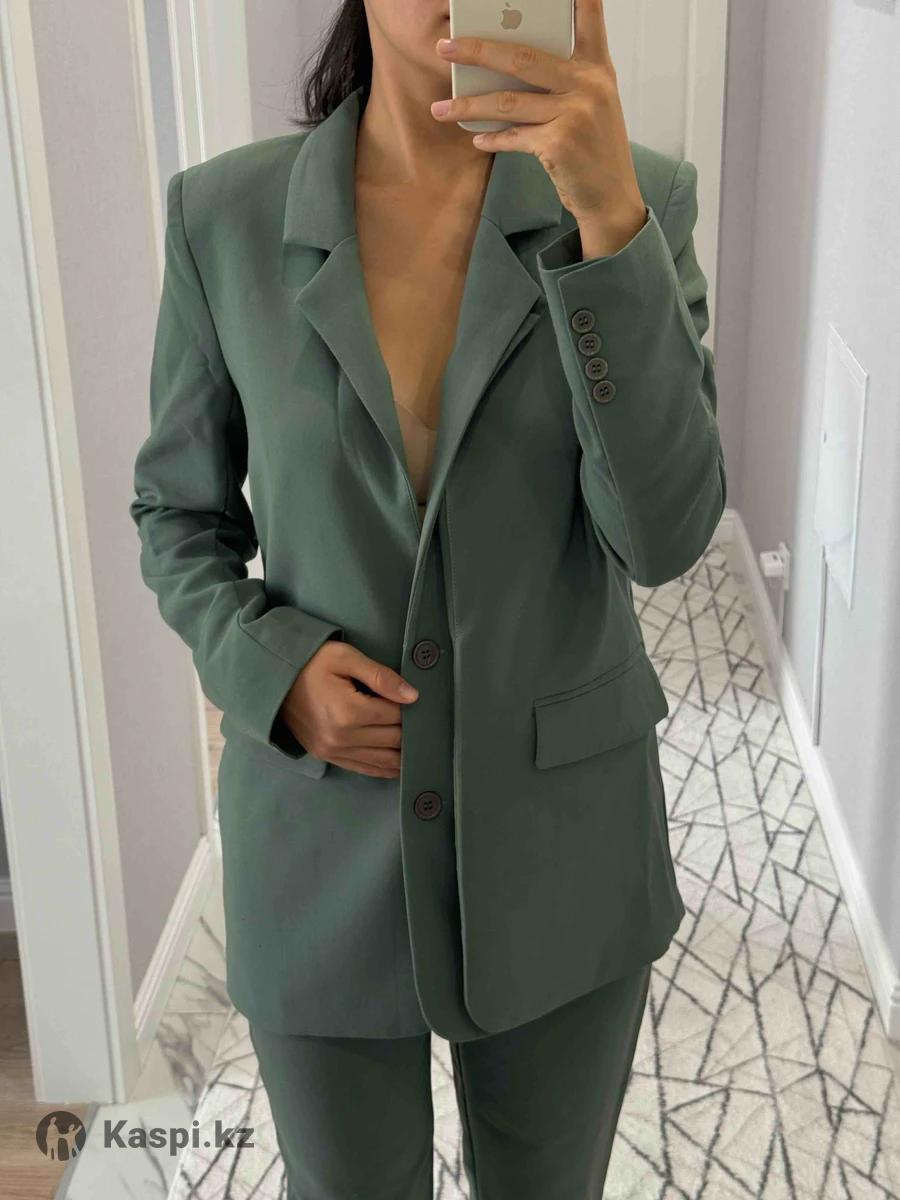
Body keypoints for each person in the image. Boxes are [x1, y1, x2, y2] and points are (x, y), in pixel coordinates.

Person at [129, 0, 726, 1194]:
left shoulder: (637, 201)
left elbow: (661, 537)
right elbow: (177, 515)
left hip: (563, 838)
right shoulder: (223, 219)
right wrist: (269, 668)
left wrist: (609, 225)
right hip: (317, 838)